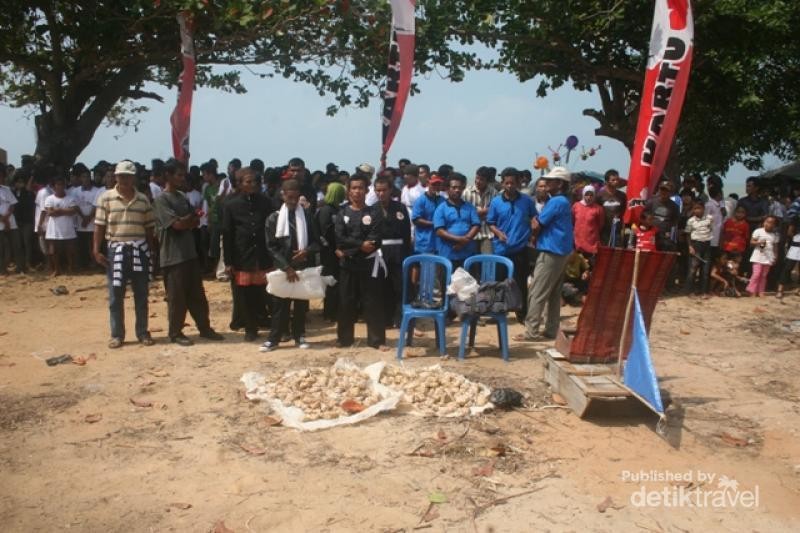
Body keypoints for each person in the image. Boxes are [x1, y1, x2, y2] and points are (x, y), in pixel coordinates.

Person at [153, 160, 224, 346]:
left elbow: (194, 221)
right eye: (178, 175)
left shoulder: (181, 197)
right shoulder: (161, 200)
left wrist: (187, 221)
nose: (182, 178)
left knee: (197, 295)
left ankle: (204, 328)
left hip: (189, 253)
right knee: (177, 298)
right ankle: (175, 332)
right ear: (168, 175)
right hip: (173, 256)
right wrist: (188, 220)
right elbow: (177, 225)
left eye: (183, 175)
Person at [93, 160, 156, 348]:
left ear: (134, 178)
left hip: (139, 249)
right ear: (116, 177)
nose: (125, 180)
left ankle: (142, 332)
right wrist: (96, 250)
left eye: (128, 176)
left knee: (141, 294)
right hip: (116, 250)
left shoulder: (143, 200)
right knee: (115, 296)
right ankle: (117, 335)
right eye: (121, 176)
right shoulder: (106, 198)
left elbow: (149, 228)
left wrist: (151, 251)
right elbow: (99, 226)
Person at [261, 179, 320, 352]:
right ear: (283, 196)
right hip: (283, 268)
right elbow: (271, 247)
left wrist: (306, 251)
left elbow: (318, 242)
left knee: (301, 304)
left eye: (296, 197)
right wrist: (287, 268)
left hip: (302, 266)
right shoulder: (274, 218)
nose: (293, 201)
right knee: (280, 305)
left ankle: (299, 336)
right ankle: (274, 339)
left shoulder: (307, 216)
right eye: (289, 197)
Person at [516, 167, 574, 342]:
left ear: (559, 183)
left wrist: (534, 222)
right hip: (561, 250)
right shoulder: (563, 201)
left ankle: (531, 331)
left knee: (537, 292)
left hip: (551, 250)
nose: (546, 183)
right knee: (554, 293)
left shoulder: (556, 202)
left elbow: (537, 225)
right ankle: (551, 329)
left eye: (550, 181)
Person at [335, 173, 386, 349]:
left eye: (361, 188)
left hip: (369, 263)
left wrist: (354, 247)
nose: (357, 191)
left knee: (372, 302)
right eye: (354, 188)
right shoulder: (342, 212)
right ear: (349, 191)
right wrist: (359, 245)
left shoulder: (374, 212)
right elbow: (340, 238)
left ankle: (376, 340)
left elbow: (375, 238)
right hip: (348, 264)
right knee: (345, 302)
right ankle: (344, 339)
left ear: (366, 190)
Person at [222, 167, 272, 341]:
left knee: (266, 292)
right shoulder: (230, 205)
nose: (253, 185)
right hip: (242, 255)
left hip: (263, 254)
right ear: (240, 184)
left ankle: (272, 324)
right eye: (248, 182)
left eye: (255, 181)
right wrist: (228, 262)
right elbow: (227, 234)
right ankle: (250, 328)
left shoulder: (266, 202)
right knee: (245, 295)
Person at [487, 167, 537, 320]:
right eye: (507, 183)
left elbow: (534, 218)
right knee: (498, 283)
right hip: (500, 249)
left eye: (513, 183)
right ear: (502, 183)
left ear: (518, 183)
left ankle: (522, 314)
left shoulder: (527, 201)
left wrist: (532, 232)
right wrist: (498, 233)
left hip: (520, 248)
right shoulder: (496, 202)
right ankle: (497, 313)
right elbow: (490, 222)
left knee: (520, 282)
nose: (510, 186)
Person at [373, 175, 412, 329]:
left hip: (399, 251)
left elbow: (407, 233)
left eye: (384, 190)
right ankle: (385, 319)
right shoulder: (372, 209)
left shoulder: (400, 208)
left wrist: (407, 254)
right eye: (378, 190)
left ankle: (400, 318)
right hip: (380, 252)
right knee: (382, 286)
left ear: (390, 190)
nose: (381, 193)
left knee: (400, 286)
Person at [433, 173, 480, 271]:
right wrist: (460, 239)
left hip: (467, 255)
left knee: (468, 280)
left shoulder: (469, 207)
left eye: (460, 187)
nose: (457, 190)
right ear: (447, 189)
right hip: (447, 256)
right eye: (454, 187)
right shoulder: (441, 208)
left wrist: (465, 241)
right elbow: (439, 231)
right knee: (447, 280)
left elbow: (476, 225)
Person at [316, 181, 346, 322]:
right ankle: (329, 313)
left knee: (337, 282)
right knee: (331, 282)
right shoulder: (326, 211)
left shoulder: (337, 209)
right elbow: (325, 233)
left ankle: (335, 310)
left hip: (337, 251)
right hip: (329, 252)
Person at [43, 176, 79, 276]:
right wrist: (65, 211)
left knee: (70, 250)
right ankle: (56, 269)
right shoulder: (49, 198)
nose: (60, 186)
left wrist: (58, 210)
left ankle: (71, 268)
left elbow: (73, 211)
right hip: (54, 228)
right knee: (53, 250)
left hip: (68, 228)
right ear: (54, 186)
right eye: (58, 184)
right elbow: (50, 213)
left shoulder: (70, 198)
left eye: (62, 184)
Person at [72, 164, 102, 270]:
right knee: (81, 245)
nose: (85, 179)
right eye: (83, 177)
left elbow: (96, 205)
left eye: (87, 177)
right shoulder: (75, 191)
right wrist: (83, 217)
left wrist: (88, 218)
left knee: (92, 245)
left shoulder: (97, 191)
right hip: (80, 223)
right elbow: (75, 205)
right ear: (80, 178)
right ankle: (82, 264)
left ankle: (95, 263)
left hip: (92, 223)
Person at [464, 166, 498, 255]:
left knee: (488, 259)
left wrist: (479, 212)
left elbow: (495, 212)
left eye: (481, 179)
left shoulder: (494, 193)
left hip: (487, 234)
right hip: (470, 233)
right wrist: (483, 212)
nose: (478, 181)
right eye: (477, 178)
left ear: (487, 181)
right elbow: (465, 213)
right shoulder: (466, 192)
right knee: (472, 261)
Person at [684, 200, 714, 296]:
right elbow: (687, 234)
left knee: (705, 270)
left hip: (707, 245)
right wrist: (690, 246)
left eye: (699, 208)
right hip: (696, 245)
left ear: (703, 208)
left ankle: (703, 291)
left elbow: (711, 229)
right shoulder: (691, 221)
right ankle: (689, 291)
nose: (697, 210)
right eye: (695, 209)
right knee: (693, 269)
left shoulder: (709, 218)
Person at [411, 174, 445, 254]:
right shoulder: (420, 200)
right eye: (434, 184)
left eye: (438, 184)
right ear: (428, 183)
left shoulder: (443, 200)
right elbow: (416, 220)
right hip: (424, 243)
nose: (436, 187)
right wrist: (435, 224)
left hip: (440, 243)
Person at [0, 165, 25, 275]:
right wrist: (4, 220)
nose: (1, 178)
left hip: (12, 222)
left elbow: (12, 205)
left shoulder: (6, 189)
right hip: (1, 224)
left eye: (2, 176)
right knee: (2, 248)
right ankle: (2, 269)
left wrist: (7, 218)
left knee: (17, 246)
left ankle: (20, 267)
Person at [746, 215, 778, 297]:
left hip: (768, 257)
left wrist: (775, 256)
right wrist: (759, 242)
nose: (768, 224)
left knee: (763, 275)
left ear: (774, 225)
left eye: (771, 223)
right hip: (758, 256)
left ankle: (760, 291)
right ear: (764, 222)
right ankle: (751, 290)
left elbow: (775, 247)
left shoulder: (774, 235)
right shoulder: (758, 231)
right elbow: (751, 242)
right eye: (767, 222)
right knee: (756, 274)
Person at [571, 185, 605, 264]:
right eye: (587, 194)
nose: (589, 197)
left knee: (591, 266)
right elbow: (572, 221)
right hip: (577, 243)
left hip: (592, 243)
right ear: (583, 194)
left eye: (591, 195)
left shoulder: (598, 209)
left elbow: (601, 224)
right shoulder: (576, 206)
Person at [12, 172, 35, 272]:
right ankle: (19, 264)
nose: (19, 184)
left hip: (27, 222)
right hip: (16, 222)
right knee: (18, 244)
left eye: (21, 182)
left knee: (27, 243)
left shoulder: (29, 193)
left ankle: (28, 263)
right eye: (18, 182)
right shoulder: (12, 193)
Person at [598, 169, 627, 247]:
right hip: (603, 231)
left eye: (617, 179)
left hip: (617, 231)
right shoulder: (600, 195)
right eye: (613, 180)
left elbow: (623, 211)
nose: (616, 182)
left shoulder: (622, 196)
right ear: (607, 182)